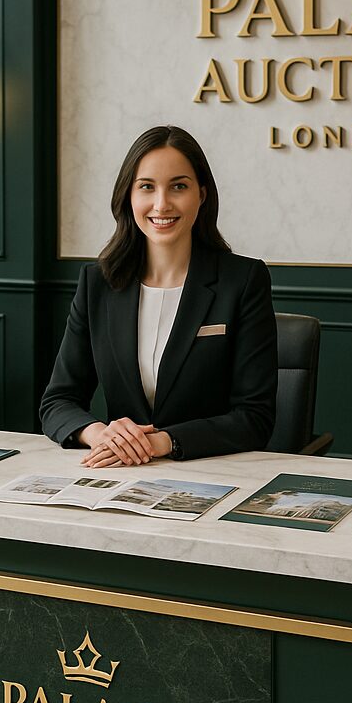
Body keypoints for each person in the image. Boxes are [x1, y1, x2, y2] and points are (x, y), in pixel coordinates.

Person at [40, 125, 278, 467]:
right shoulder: (98, 284)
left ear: (202, 195)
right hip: (119, 473)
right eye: (147, 187)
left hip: (213, 474)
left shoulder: (242, 280)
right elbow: (58, 401)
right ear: (129, 196)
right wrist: (101, 434)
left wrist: (160, 443)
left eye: (178, 186)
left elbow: (255, 418)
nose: (161, 204)